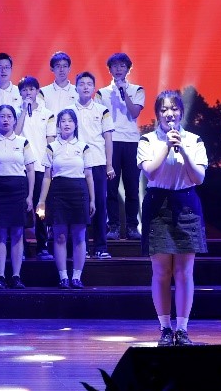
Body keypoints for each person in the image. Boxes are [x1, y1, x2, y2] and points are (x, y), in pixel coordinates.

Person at [138, 90, 208, 347]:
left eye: (174, 109)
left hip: (186, 204)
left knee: (184, 272)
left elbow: (198, 178)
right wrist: (167, 145)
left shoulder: (194, 140)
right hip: (158, 204)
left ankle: (183, 329)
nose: (169, 113)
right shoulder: (147, 140)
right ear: (158, 114)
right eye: (164, 109)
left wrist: (183, 150)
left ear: (181, 112)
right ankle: (165, 328)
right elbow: (150, 173)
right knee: (161, 271)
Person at [36, 109, 100, 289]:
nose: (66, 124)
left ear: (75, 124)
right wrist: (41, 200)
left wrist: (92, 200)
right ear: (58, 125)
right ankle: (63, 276)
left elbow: (89, 175)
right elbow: (47, 176)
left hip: (79, 191)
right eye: (63, 121)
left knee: (79, 236)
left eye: (70, 120)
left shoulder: (84, 147)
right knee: (60, 236)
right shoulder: (52, 147)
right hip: (58, 192)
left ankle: (77, 276)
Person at [0, 105, 36, 289]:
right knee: (0, 233)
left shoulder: (23, 142)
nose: (5, 120)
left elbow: (30, 170)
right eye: (2, 116)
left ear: (14, 120)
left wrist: (30, 196)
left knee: (18, 233)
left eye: (9, 116)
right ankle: (1, 276)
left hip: (18, 189)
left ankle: (16, 276)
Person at [99, 53, 146, 240]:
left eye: (122, 66)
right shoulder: (102, 93)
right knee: (111, 188)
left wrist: (123, 92)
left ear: (128, 69)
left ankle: (133, 227)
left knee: (132, 187)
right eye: (115, 66)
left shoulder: (137, 90)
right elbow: (98, 120)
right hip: (110, 142)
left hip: (131, 142)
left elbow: (134, 113)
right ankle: (114, 227)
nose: (118, 69)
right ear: (109, 69)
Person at [73, 72, 116, 259]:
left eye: (89, 84)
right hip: (76, 164)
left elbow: (108, 138)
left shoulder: (102, 110)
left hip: (97, 162)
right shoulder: (69, 111)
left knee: (99, 204)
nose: (85, 87)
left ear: (93, 88)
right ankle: (80, 247)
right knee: (79, 205)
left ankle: (101, 247)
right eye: (81, 84)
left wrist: (109, 165)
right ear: (76, 87)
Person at [16, 76, 55, 259]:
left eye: (31, 89)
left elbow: (50, 142)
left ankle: (42, 246)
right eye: (24, 90)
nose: (28, 93)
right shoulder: (15, 111)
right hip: (20, 168)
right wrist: (24, 111)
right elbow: (15, 134)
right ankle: (21, 247)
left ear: (38, 91)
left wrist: (50, 166)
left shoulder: (48, 114)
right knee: (22, 207)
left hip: (40, 166)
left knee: (41, 207)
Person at [39, 51, 77, 115]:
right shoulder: (43, 92)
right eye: (58, 66)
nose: (62, 69)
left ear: (69, 69)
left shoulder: (77, 91)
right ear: (52, 69)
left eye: (65, 66)